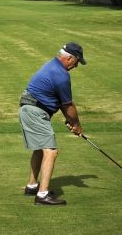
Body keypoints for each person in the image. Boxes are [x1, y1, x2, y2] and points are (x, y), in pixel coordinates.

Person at [18, 42, 86, 206]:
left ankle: (32, 186)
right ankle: (42, 195)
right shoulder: (61, 75)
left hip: (30, 108)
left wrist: (70, 120)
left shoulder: (52, 65)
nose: (76, 66)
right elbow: (69, 106)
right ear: (69, 58)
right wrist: (76, 125)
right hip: (35, 111)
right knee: (51, 151)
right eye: (76, 62)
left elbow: (63, 105)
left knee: (40, 149)